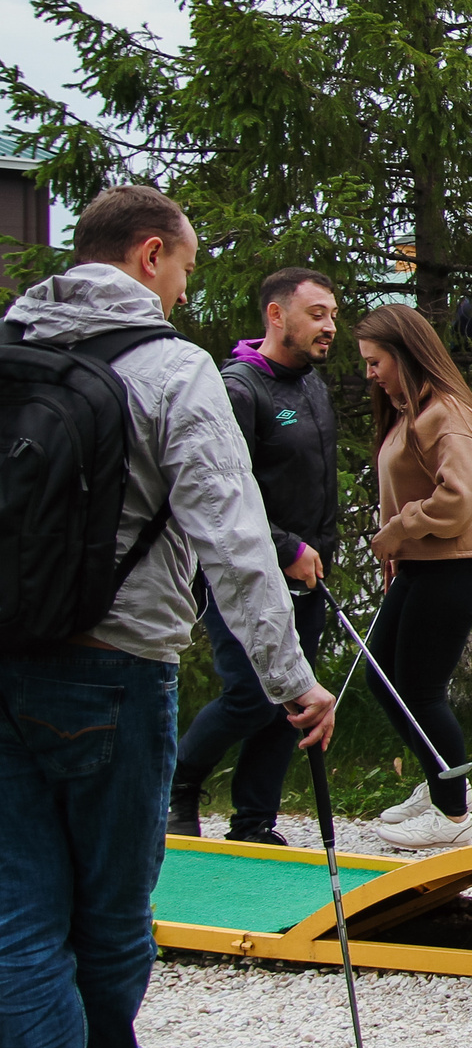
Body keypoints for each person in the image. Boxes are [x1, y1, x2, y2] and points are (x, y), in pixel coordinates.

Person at [0, 185, 336, 1048]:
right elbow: (235, 544)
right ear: (151, 255)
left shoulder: (10, 354)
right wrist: (293, 682)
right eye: (186, 268)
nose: (188, 291)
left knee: (17, 909)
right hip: (116, 665)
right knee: (108, 912)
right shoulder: (172, 372)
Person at [168, 267, 342, 845]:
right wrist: (285, 544)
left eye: (334, 315)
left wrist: (320, 547)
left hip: (308, 577)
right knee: (249, 696)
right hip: (244, 573)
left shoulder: (312, 384)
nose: (329, 327)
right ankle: (179, 781)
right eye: (317, 314)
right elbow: (217, 497)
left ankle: (253, 824)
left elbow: (319, 481)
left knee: (292, 703)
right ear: (276, 315)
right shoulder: (238, 389)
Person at [353, 304, 472, 850]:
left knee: (419, 687)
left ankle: (453, 810)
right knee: (381, 677)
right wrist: (401, 541)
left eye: (376, 362)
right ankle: (440, 778)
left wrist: (397, 530)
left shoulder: (448, 414)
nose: (370, 374)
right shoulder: (407, 411)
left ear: (405, 355)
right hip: (423, 566)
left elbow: (459, 502)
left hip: (457, 569)